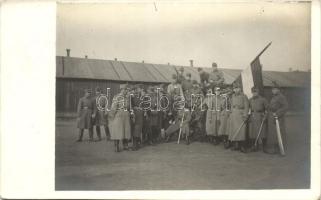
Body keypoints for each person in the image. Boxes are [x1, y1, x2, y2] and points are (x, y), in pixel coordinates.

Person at [265, 82, 288, 154]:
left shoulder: (281, 97)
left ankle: (279, 148)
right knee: (273, 133)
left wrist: (277, 113)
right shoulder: (274, 97)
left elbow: (285, 107)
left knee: (278, 132)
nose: (273, 91)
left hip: (278, 118)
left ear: (278, 90)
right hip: (272, 116)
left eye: (275, 89)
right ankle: (273, 149)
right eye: (272, 89)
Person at [108, 84, 131, 152]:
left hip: (126, 116)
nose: (126, 91)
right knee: (117, 131)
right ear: (122, 90)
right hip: (119, 115)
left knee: (126, 131)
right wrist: (111, 116)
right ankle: (116, 146)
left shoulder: (127, 97)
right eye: (125, 89)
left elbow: (129, 107)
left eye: (127, 90)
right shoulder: (117, 97)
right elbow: (113, 107)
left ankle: (125, 146)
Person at [228, 83, 249, 152]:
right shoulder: (233, 96)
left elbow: (246, 107)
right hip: (234, 114)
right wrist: (231, 113)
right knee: (234, 130)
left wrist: (245, 115)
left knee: (241, 131)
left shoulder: (244, 96)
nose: (236, 90)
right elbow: (231, 105)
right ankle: (236, 145)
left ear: (240, 89)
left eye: (237, 88)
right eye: (235, 88)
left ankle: (242, 146)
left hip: (240, 114)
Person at [248, 87, 269, 152]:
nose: (254, 93)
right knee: (253, 132)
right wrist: (249, 116)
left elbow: (267, 109)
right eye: (253, 92)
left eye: (256, 92)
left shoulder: (263, 99)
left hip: (260, 116)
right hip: (253, 116)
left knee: (262, 132)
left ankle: (264, 147)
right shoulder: (250, 100)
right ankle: (254, 146)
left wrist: (265, 116)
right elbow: (248, 109)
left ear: (258, 92)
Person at [131, 84, 144, 150]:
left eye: (139, 89)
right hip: (134, 114)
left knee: (138, 129)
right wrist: (135, 108)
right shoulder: (132, 97)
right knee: (135, 129)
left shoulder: (143, 96)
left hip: (140, 115)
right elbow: (130, 105)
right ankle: (136, 144)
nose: (137, 90)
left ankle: (136, 144)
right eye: (137, 89)